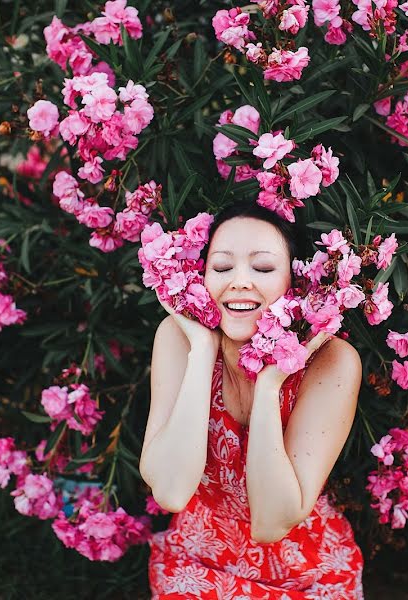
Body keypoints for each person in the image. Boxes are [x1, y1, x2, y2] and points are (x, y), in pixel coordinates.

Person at [140, 202, 365, 598]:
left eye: (262, 268)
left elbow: (271, 522)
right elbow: (172, 492)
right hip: (199, 556)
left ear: (293, 286)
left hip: (305, 566)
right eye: (222, 268)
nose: (239, 282)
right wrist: (202, 350)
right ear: (200, 277)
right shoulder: (178, 338)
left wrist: (268, 385)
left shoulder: (332, 360)